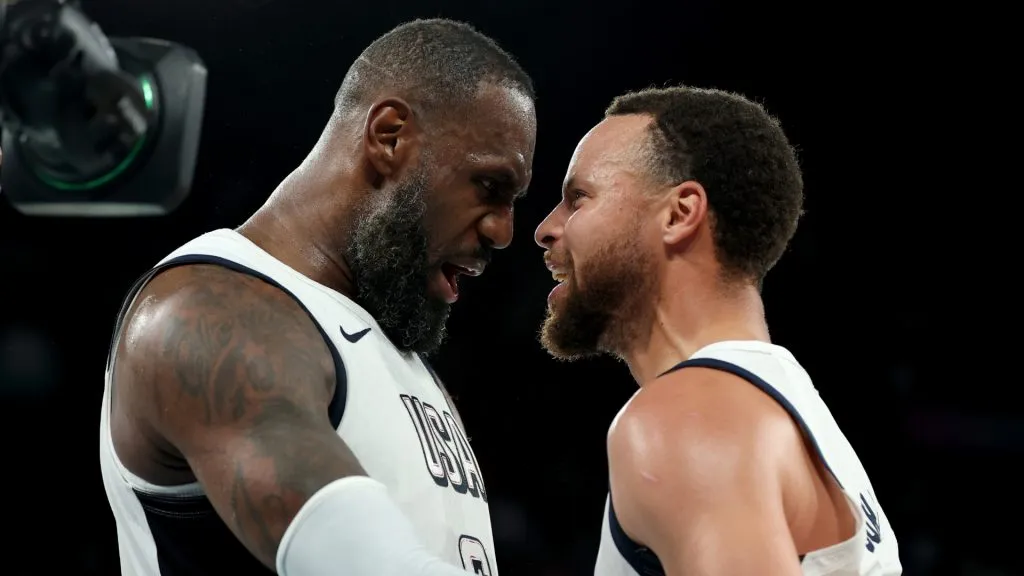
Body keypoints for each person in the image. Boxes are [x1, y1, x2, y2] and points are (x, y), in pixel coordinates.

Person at [99, 19, 535, 576]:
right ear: (390, 136)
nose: (504, 232)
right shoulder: (209, 313)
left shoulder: (381, 344)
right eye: (491, 186)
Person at [533, 86, 901, 575]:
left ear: (679, 214)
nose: (545, 228)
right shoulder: (780, 404)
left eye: (578, 198)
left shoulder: (688, 419)